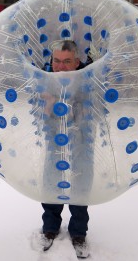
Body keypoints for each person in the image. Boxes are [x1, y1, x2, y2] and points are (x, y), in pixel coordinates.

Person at [39, 40, 91, 259]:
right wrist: (46, 105)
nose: (60, 67)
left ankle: (78, 233)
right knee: (51, 181)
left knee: (79, 185)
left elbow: (96, 111)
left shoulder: (88, 80)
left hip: (82, 143)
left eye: (66, 62)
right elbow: (34, 111)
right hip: (53, 144)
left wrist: (77, 109)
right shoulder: (44, 79)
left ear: (76, 62)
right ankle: (50, 227)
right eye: (56, 61)